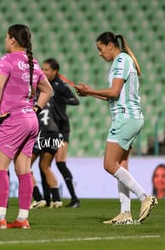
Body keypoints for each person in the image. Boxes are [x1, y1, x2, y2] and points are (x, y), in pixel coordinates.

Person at [0, 24, 53, 229]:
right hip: (31, 121)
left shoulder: (7, 60)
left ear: (12, 40)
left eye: (6, 37)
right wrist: (35, 109)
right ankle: (22, 219)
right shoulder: (33, 63)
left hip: (12, 120)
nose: (5, 41)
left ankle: (0, 218)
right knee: (24, 171)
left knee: (0, 169)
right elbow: (48, 91)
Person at [75, 31, 158, 225]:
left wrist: (90, 90)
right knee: (121, 166)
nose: (99, 53)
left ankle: (145, 197)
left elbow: (114, 91)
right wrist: (90, 94)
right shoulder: (123, 60)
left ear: (110, 45)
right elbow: (113, 95)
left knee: (109, 164)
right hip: (132, 118)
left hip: (125, 118)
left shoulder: (120, 61)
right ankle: (125, 213)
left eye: (100, 48)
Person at [42, 58, 80, 208]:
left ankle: (75, 199)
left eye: (47, 70)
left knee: (60, 163)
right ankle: (47, 198)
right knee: (44, 165)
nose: (44, 72)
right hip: (51, 128)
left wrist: (59, 99)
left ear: (55, 71)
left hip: (62, 128)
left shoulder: (60, 85)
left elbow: (75, 100)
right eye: (43, 69)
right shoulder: (46, 84)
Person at [30, 98, 63, 209]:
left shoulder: (29, 99)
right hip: (54, 132)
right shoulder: (49, 99)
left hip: (41, 132)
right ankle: (57, 199)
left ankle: (38, 198)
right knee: (46, 167)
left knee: (24, 167)